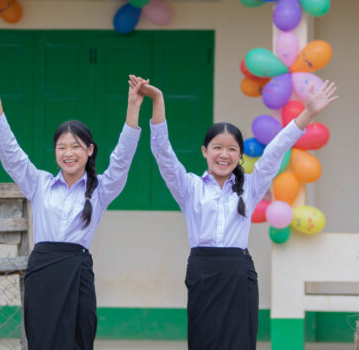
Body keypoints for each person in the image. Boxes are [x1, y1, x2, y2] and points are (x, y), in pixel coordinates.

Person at [134, 75, 338, 350]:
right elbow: (163, 153)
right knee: (203, 342)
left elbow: (276, 150)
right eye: (217, 147)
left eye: (232, 149)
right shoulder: (189, 187)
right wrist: (157, 100)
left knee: (239, 343)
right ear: (205, 151)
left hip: (238, 275)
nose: (223, 155)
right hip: (202, 271)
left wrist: (309, 112)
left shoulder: (251, 187)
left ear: (240, 156)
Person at [0, 67, 144, 349]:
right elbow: (11, 153)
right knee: (41, 340)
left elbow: (122, 158)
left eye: (76, 147)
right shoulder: (39, 184)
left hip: (77, 271)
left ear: (90, 150)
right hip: (42, 272)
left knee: (79, 338)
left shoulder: (102, 189)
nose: (68, 153)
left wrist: (133, 107)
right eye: (61, 147)